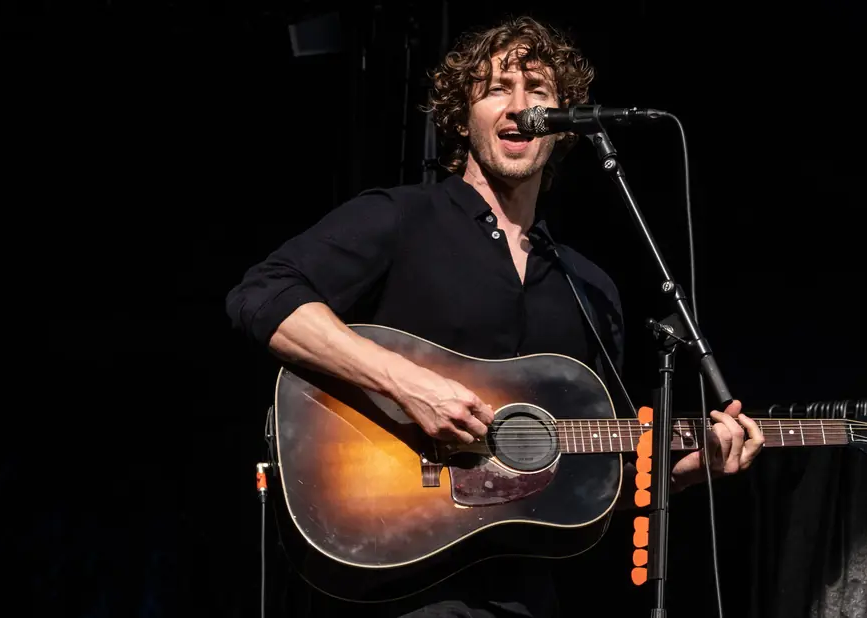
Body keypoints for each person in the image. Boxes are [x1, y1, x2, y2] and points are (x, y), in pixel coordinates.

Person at [225, 15, 765, 618]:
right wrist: (407, 383)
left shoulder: (588, 286)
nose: (518, 106)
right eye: (496, 89)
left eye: (537, 90)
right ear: (463, 117)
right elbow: (261, 296)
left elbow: (581, 481)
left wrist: (686, 474)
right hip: (391, 581)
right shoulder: (401, 219)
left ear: (563, 125)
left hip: (524, 595)